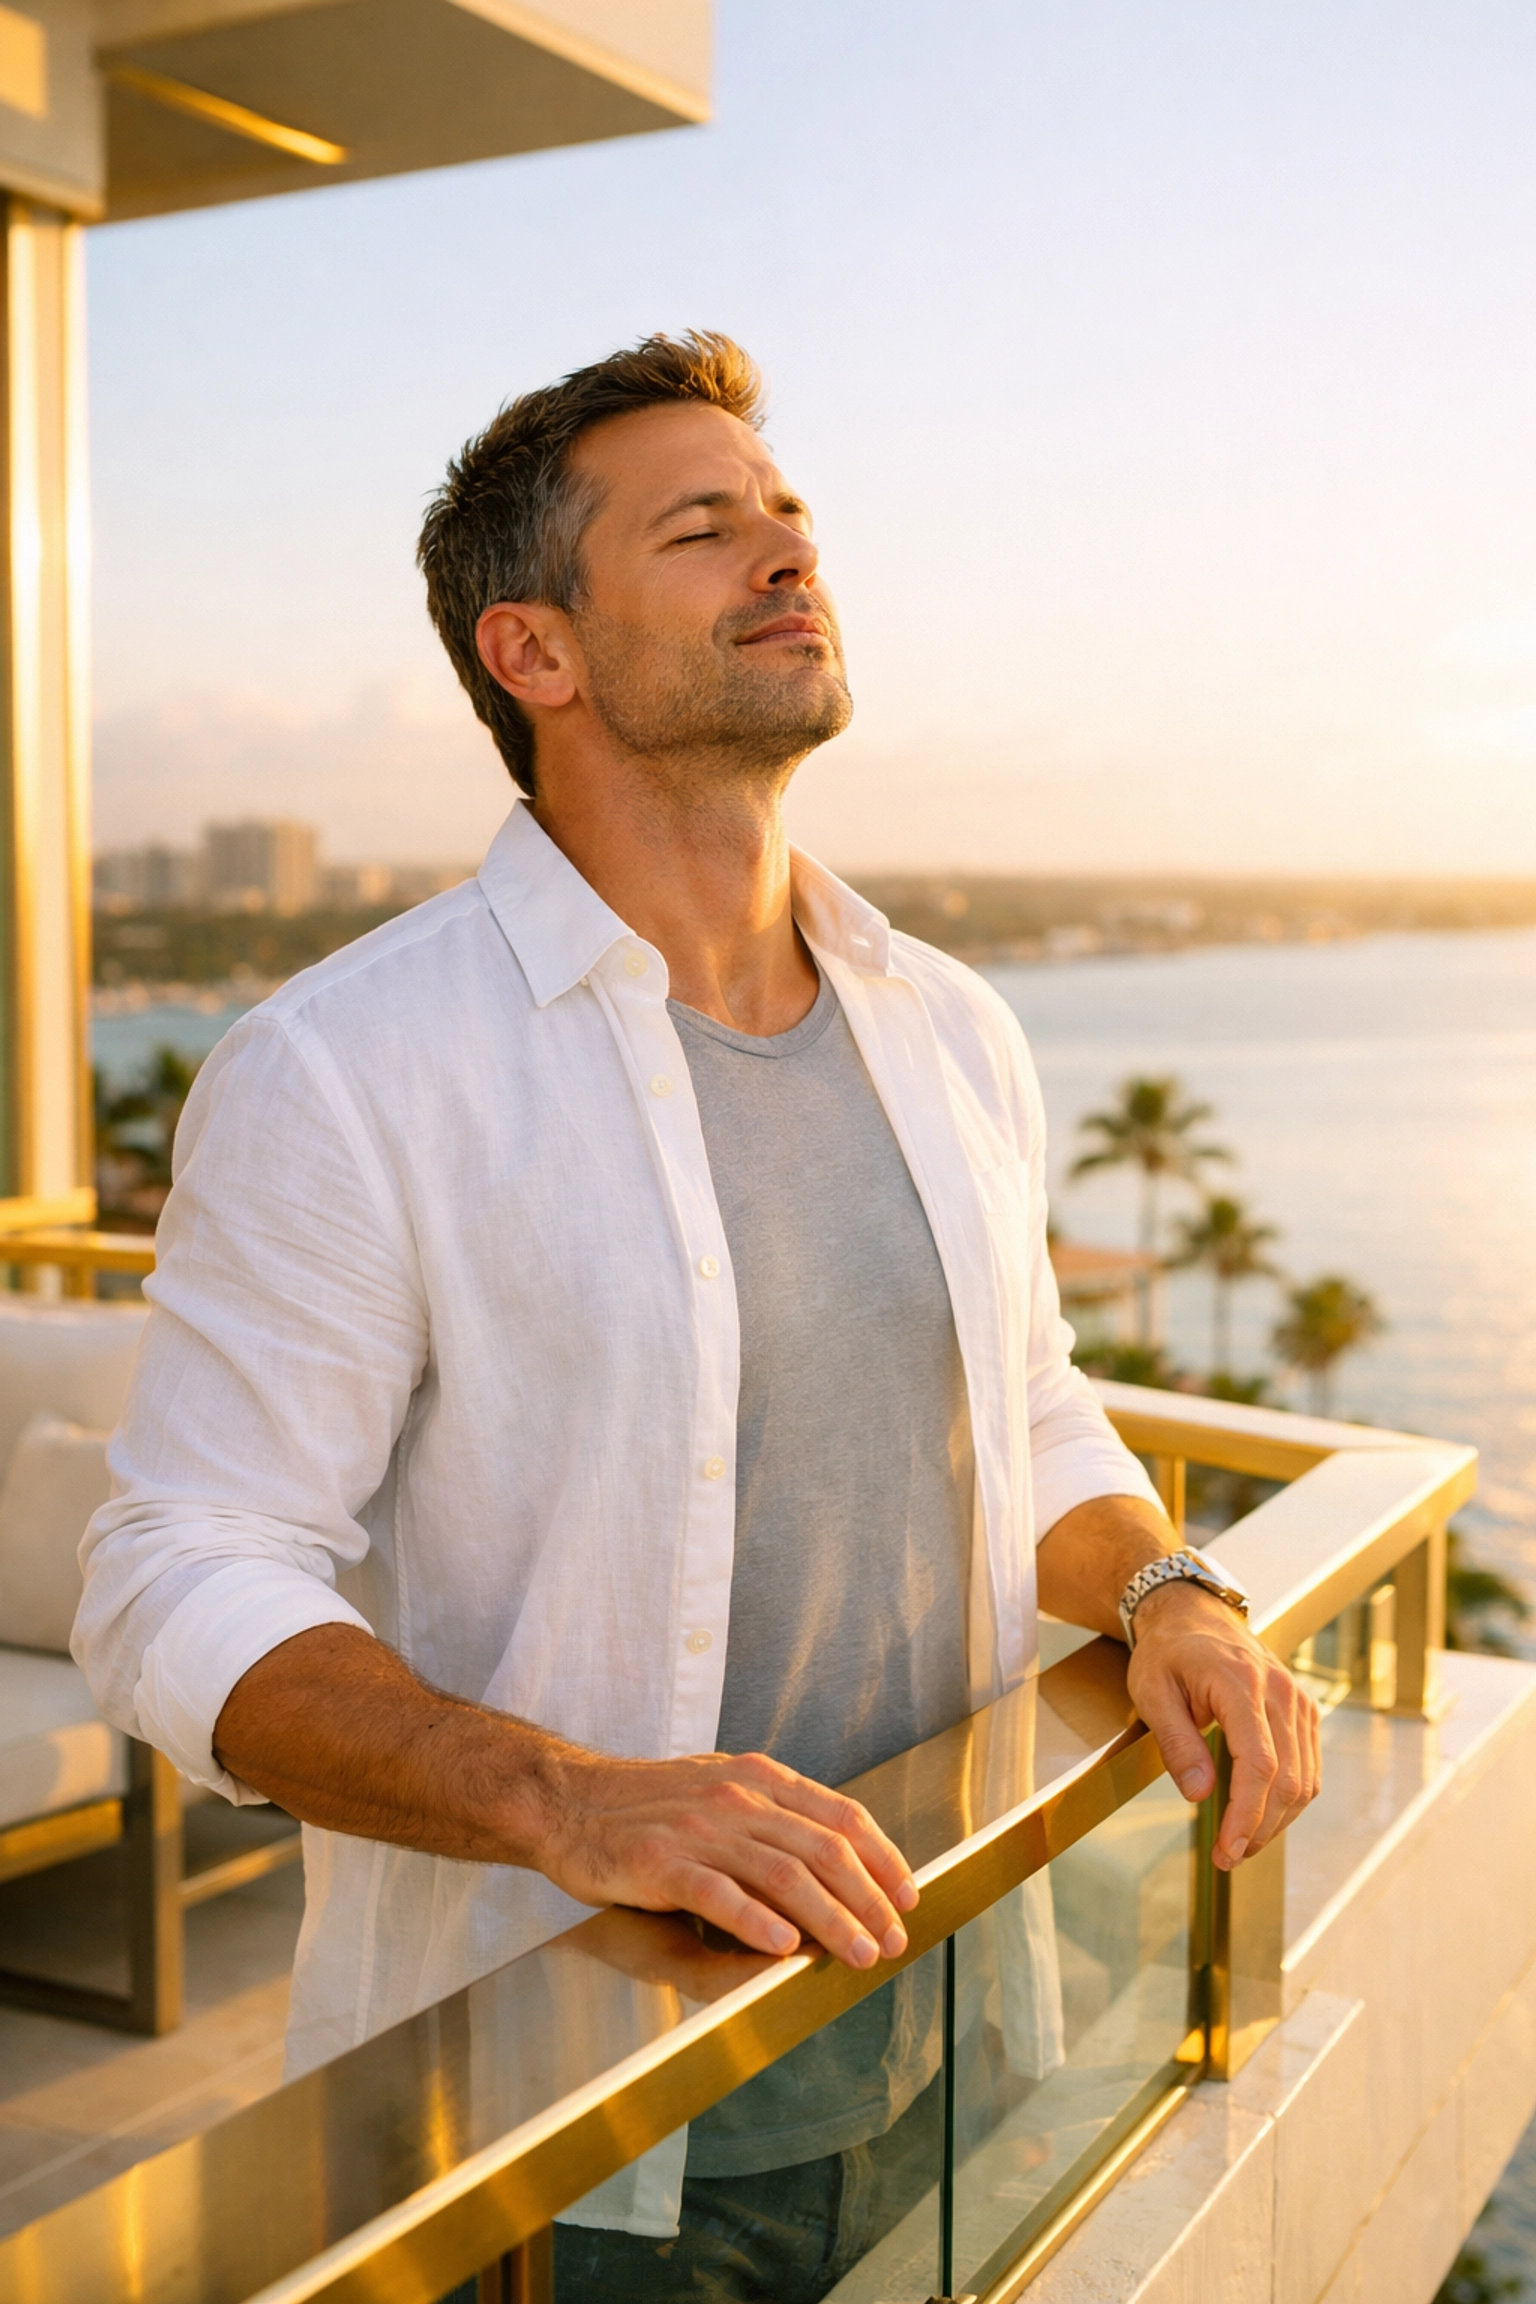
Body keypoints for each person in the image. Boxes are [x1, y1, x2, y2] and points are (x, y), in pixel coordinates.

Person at [75, 332, 1318, 2300]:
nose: (787, 555)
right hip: (575, 2125)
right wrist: (559, 1795)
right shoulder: (346, 1068)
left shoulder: (950, 1028)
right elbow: (174, 1572)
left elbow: (1030, 1416)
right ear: (536, 655)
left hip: (955, 2014)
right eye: (703, 527)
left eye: (792, 515)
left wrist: (1170, 1591)